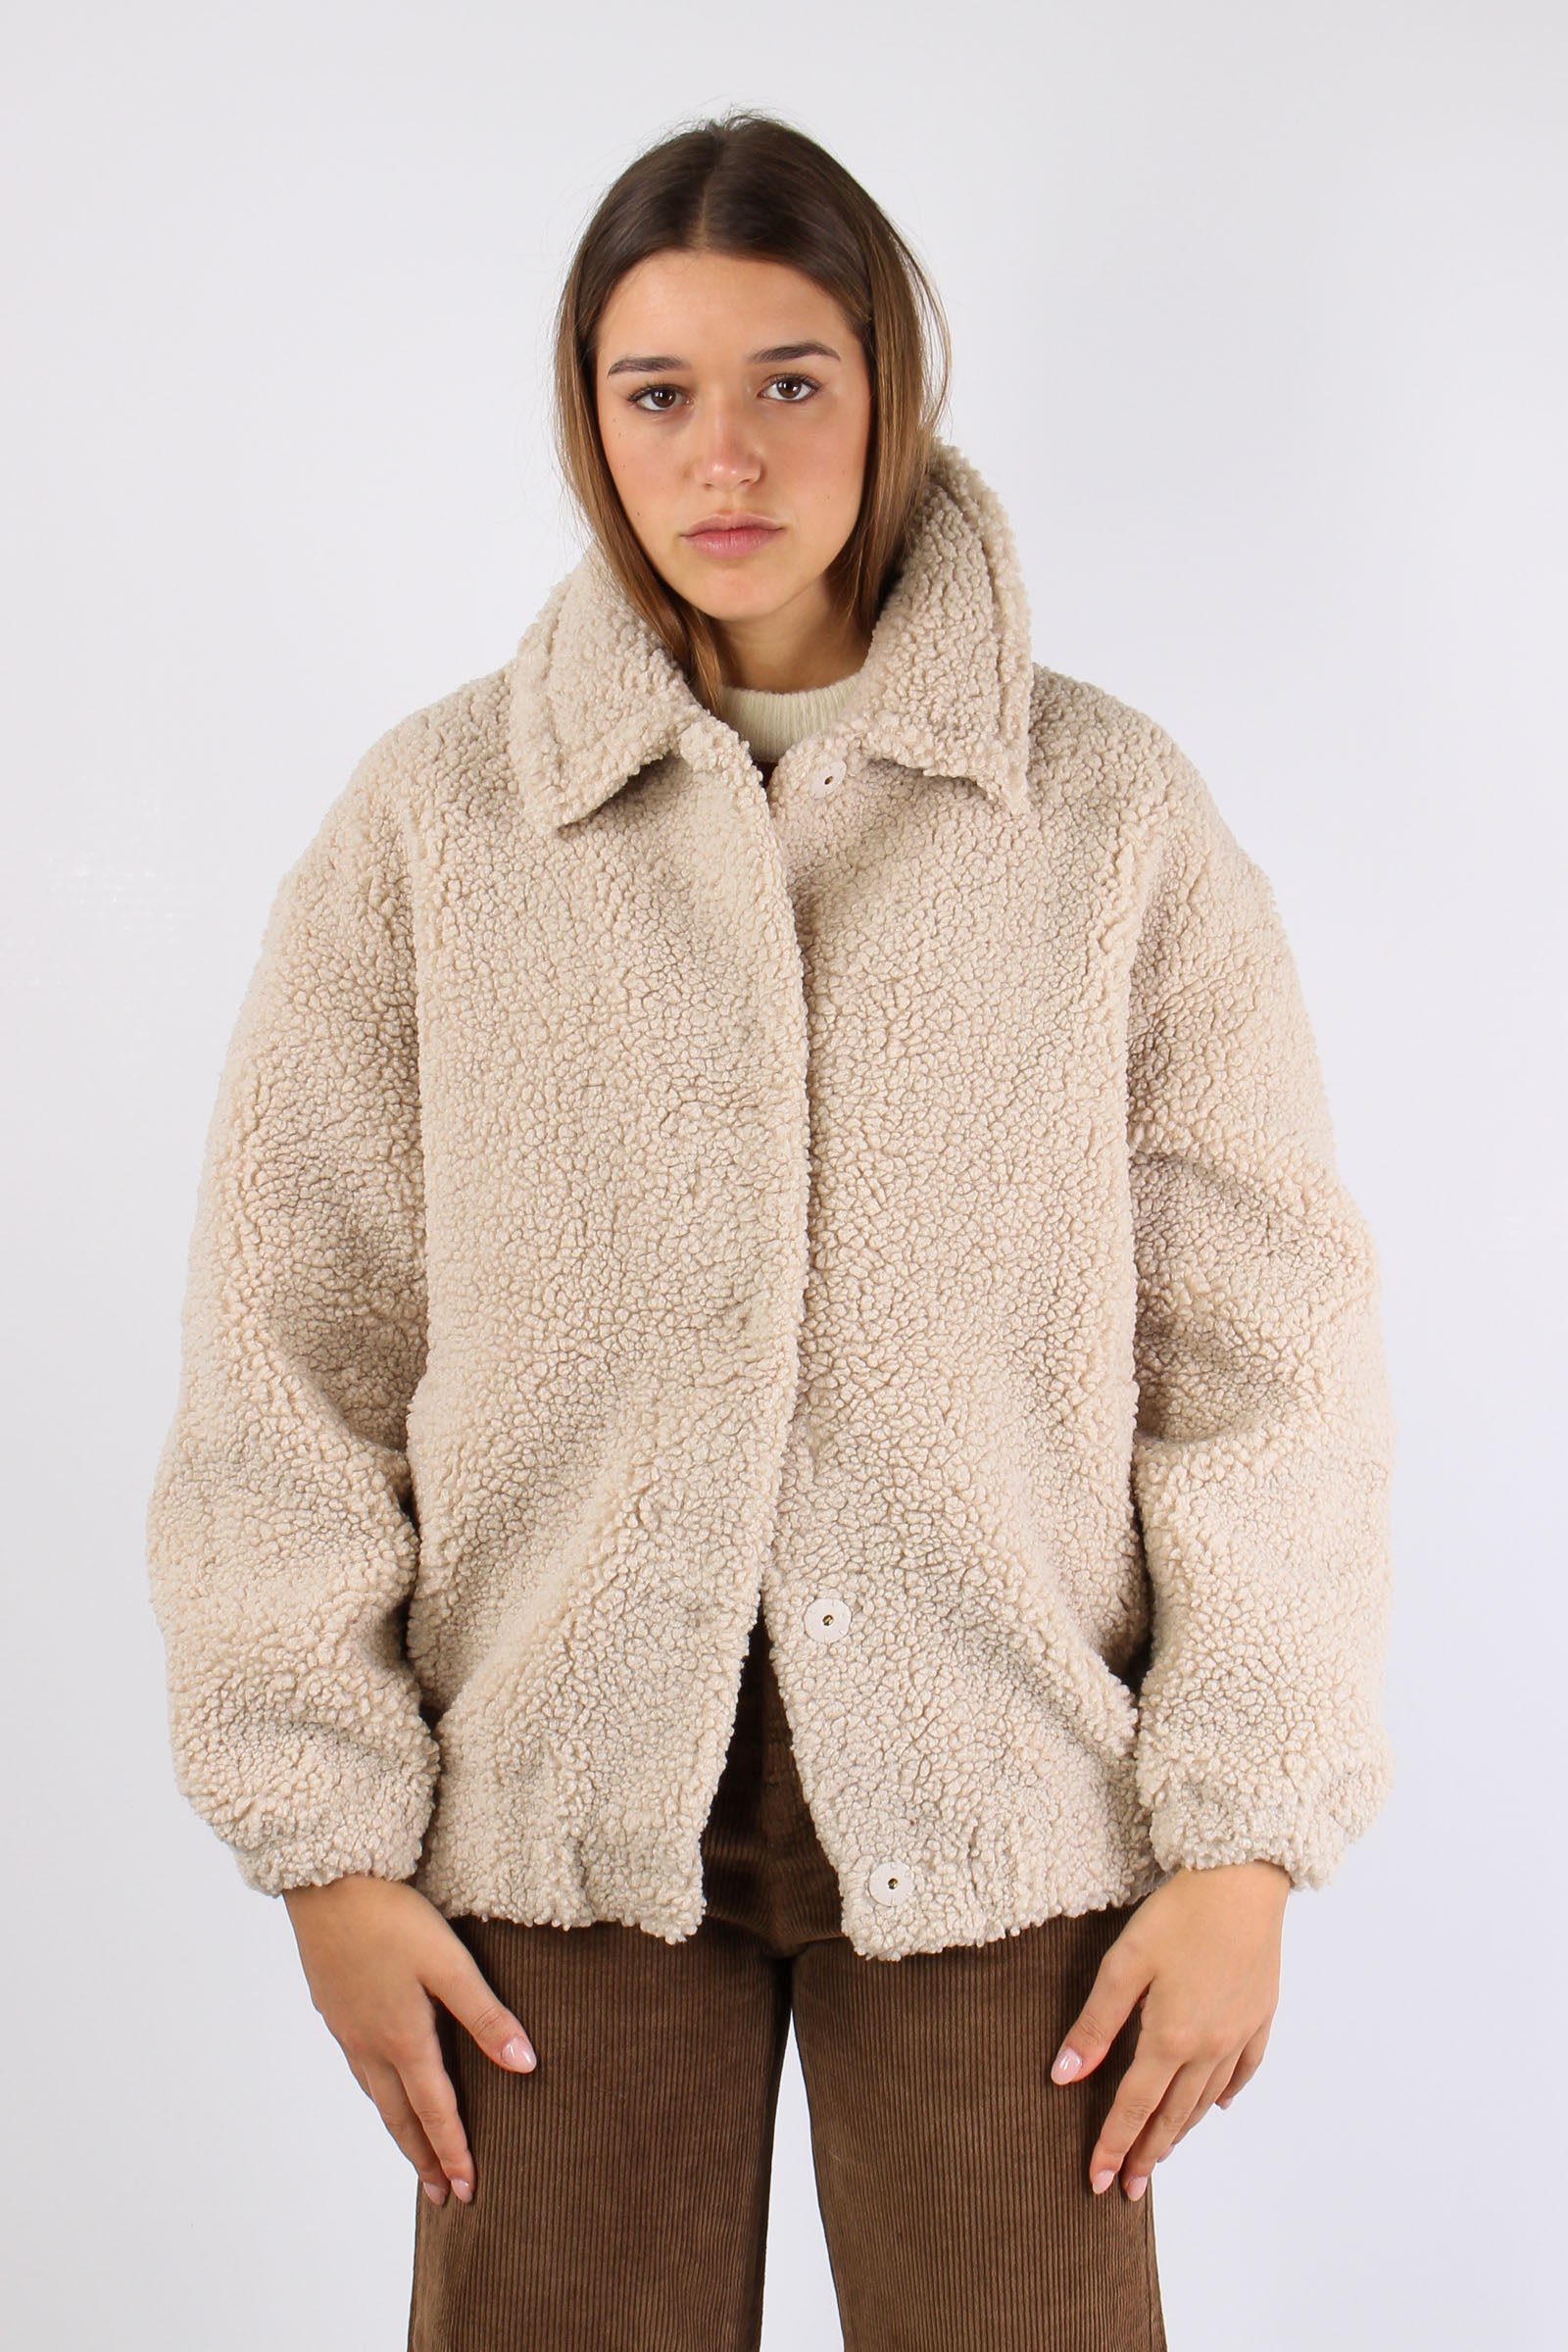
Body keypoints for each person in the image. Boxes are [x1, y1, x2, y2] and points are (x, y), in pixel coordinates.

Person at [145, 110, 1396, 2351]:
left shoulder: (1103, 814)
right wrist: (323, 1841)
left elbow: (1266, 1349)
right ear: (588, 416)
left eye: (788, 380)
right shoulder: (439, 822)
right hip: (550, 1802)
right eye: (657, 392)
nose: (721, 454)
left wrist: (1241, 1840)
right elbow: (289, 1338)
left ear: (888, 386)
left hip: (1005, 1792)